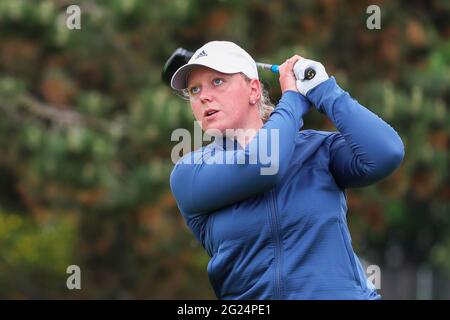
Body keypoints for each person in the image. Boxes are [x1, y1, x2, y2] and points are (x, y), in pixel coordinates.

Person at [169, 40, 404, 299]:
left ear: (254, 90)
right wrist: (292, 100)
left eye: (217, 82)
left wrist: (326, 90)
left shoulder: (316, 149)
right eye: (194, 90)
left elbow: (385, 153)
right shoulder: (190, 171)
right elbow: (263, 164)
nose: (203, 96)